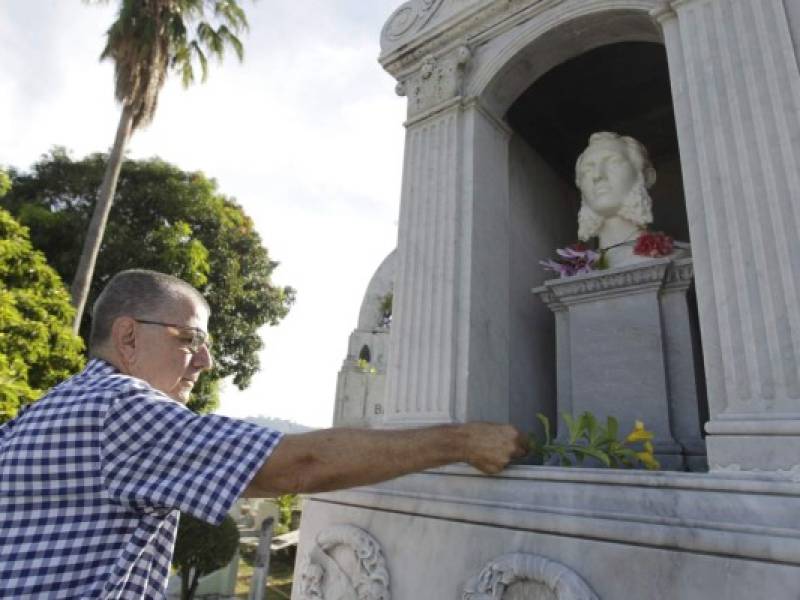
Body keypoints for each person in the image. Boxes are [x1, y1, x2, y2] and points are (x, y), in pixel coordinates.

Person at [0, 269, 527, 599]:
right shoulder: (122, 409)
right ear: (129, 336)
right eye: (190, 340)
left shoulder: (50, 407)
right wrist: (460, 442)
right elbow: (298, 465)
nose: (205, 361)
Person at [575, 131, 657, 267]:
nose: (597, 175)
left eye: (613, 162)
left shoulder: (671, 253)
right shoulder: (581, 267)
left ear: (645, 176)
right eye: (587, 170)